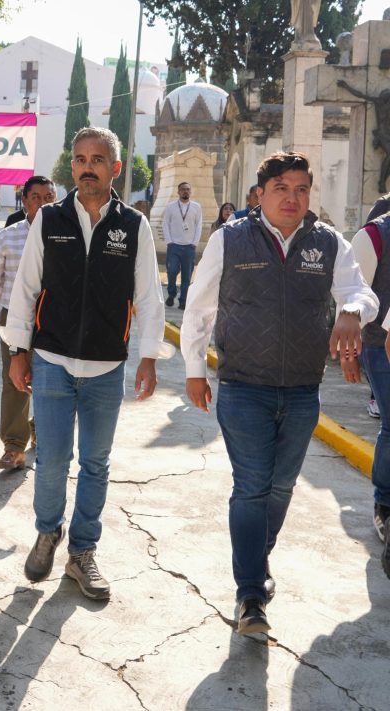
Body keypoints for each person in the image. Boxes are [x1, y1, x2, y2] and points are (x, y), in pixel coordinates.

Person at [181, 151, 377, 635]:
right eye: (282, 189)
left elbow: (362, 292)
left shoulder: (328, 243)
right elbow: (199, 308)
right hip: (243, 386)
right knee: (252, 486)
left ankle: (255, 556)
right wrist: (194, 369)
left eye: (301, 189)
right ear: (261, 193)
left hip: (303, 391)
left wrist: (352, 310)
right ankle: (250, 593)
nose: (292, 198)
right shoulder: (230, 239)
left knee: (281, 488)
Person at [3, 127, 168, 601]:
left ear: (115, 168)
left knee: (95, 463)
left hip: (106, 367)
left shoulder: (133, 225)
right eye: (79, 159)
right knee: (52, 460)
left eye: (97, 159)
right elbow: (26, 288)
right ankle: (47, 532)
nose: (87, 167)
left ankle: (82, 552)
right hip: (51, 361)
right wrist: (18, 351)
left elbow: (148, 297)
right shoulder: (49, 219)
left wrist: (149, 357)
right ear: (71, 167)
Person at [0, 175, 54, 471]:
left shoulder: (65, 236)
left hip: (54, 319)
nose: (43, 204)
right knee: (14, 381)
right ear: (24, 201)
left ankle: (41, 429)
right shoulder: (9, 237)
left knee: (52, 380)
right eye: (36, 197)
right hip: (14, 318)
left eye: (49, 198)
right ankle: (14, 447)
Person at [348, 214, 390, 578]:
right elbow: (354, 296)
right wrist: (350, 351)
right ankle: (384, 504)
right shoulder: (374, 235)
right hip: (380, 345)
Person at [161, 181, 202, 309]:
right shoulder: (170, 207)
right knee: (172, 271)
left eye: (188, 189)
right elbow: (165, 224)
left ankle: (183, 300)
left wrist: (194, 243)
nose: (185, 191)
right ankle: (171, 293)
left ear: (190, 192)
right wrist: (169, 241)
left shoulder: (196, 207)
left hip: (189, 247)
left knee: (186, 276)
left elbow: (199, 225)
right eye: (183, 189)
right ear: (178, 192)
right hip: (174, 246)